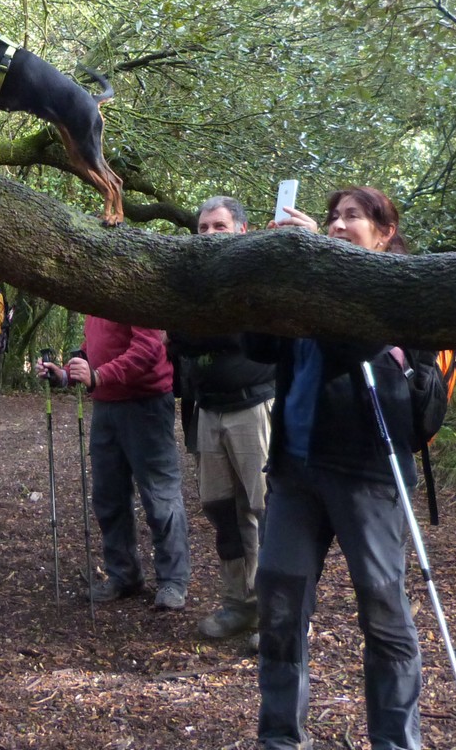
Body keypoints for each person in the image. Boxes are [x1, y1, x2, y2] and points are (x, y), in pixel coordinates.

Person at [250, 186, 442, 750]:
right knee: (280, 607)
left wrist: (313, 262)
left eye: (351, 217)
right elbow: (255, 346)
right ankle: (280, 738)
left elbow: (348, 347)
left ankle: (395, 741)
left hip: (367, 474)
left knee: (383, 611)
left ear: (384, 233)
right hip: (295, 471)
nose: (337, 224)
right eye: (333, 216)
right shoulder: (304, 288)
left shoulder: (396, 290)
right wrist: (270, 269)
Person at [169, 195, 274, 641]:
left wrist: (205, 333)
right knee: (221, 510)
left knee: (264, 509)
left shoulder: (259, 277)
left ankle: (276, 612)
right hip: (207, 410)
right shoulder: (193, 283)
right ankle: (239, 604)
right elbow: (177, 340)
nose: (210, 234)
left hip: (253, 407)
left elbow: (246, 337)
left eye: (219, 226)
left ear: (242, 230)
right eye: (203, 228)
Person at [41, 318, 191, 611]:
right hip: (106, 404)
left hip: (146, 403)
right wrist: (66, 374)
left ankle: (173, 581)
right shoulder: (96, 302)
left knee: (160, 494)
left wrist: (98, 376)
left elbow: (148, 348)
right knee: (108, 496)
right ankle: (123, 574)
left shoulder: (135, 296)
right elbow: (94, 347)